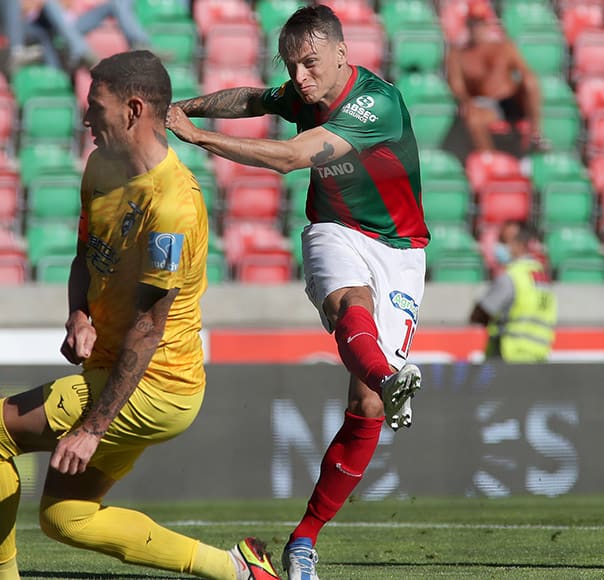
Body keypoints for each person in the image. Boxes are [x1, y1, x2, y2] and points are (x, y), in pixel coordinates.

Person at [0, 50, 279, 580]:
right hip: (118, 371)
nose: (85, 116)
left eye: (96, 105)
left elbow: (150, 327)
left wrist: (92, 427)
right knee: (67, 518)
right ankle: (238, 570)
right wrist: (78, 315)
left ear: (132, 110)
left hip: (157, 383)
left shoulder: (173, 206)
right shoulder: (101, 168)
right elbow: (86, 255)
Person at [166, 6, 427, 579]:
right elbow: (252, 99)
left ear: (342, 53)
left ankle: (304, 537)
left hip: (400, 251)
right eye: (291, 66)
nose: (299, 77)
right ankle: (388, 376)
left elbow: (290, 159)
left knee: (367, 407)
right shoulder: (303, 92)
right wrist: (186, 106)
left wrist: (197, 136)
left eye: (309, 63)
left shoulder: (375, 105)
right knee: (350, 305)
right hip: (335, 230)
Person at [445, 4, 543, 153]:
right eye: (474, 23)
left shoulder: (504, 47)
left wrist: (527, 84)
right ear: (468, 25)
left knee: (531, 82)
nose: (477, 28)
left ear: (488, 24)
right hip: (485, 104)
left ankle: (535, 136)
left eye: (480, 23)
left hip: (511, 100)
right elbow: (457, 86)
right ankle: (490, 158)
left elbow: (526, 73)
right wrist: (467, 102)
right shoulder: (458, 55)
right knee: (473, 118)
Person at [469, 221, 557, 362]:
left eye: (504, 241)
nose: (500, 246)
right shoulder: (543, 278)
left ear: (520, 245)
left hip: (510, 356)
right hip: (539, 356)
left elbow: (480, 314)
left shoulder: (512, 276)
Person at [25, 0, 150, 70]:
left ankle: (140, 44)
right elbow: (24, 9)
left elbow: (69, 5)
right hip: (43, 26)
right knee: (49, 4)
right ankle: (82, 52)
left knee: (116, 4)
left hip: (72, 24)